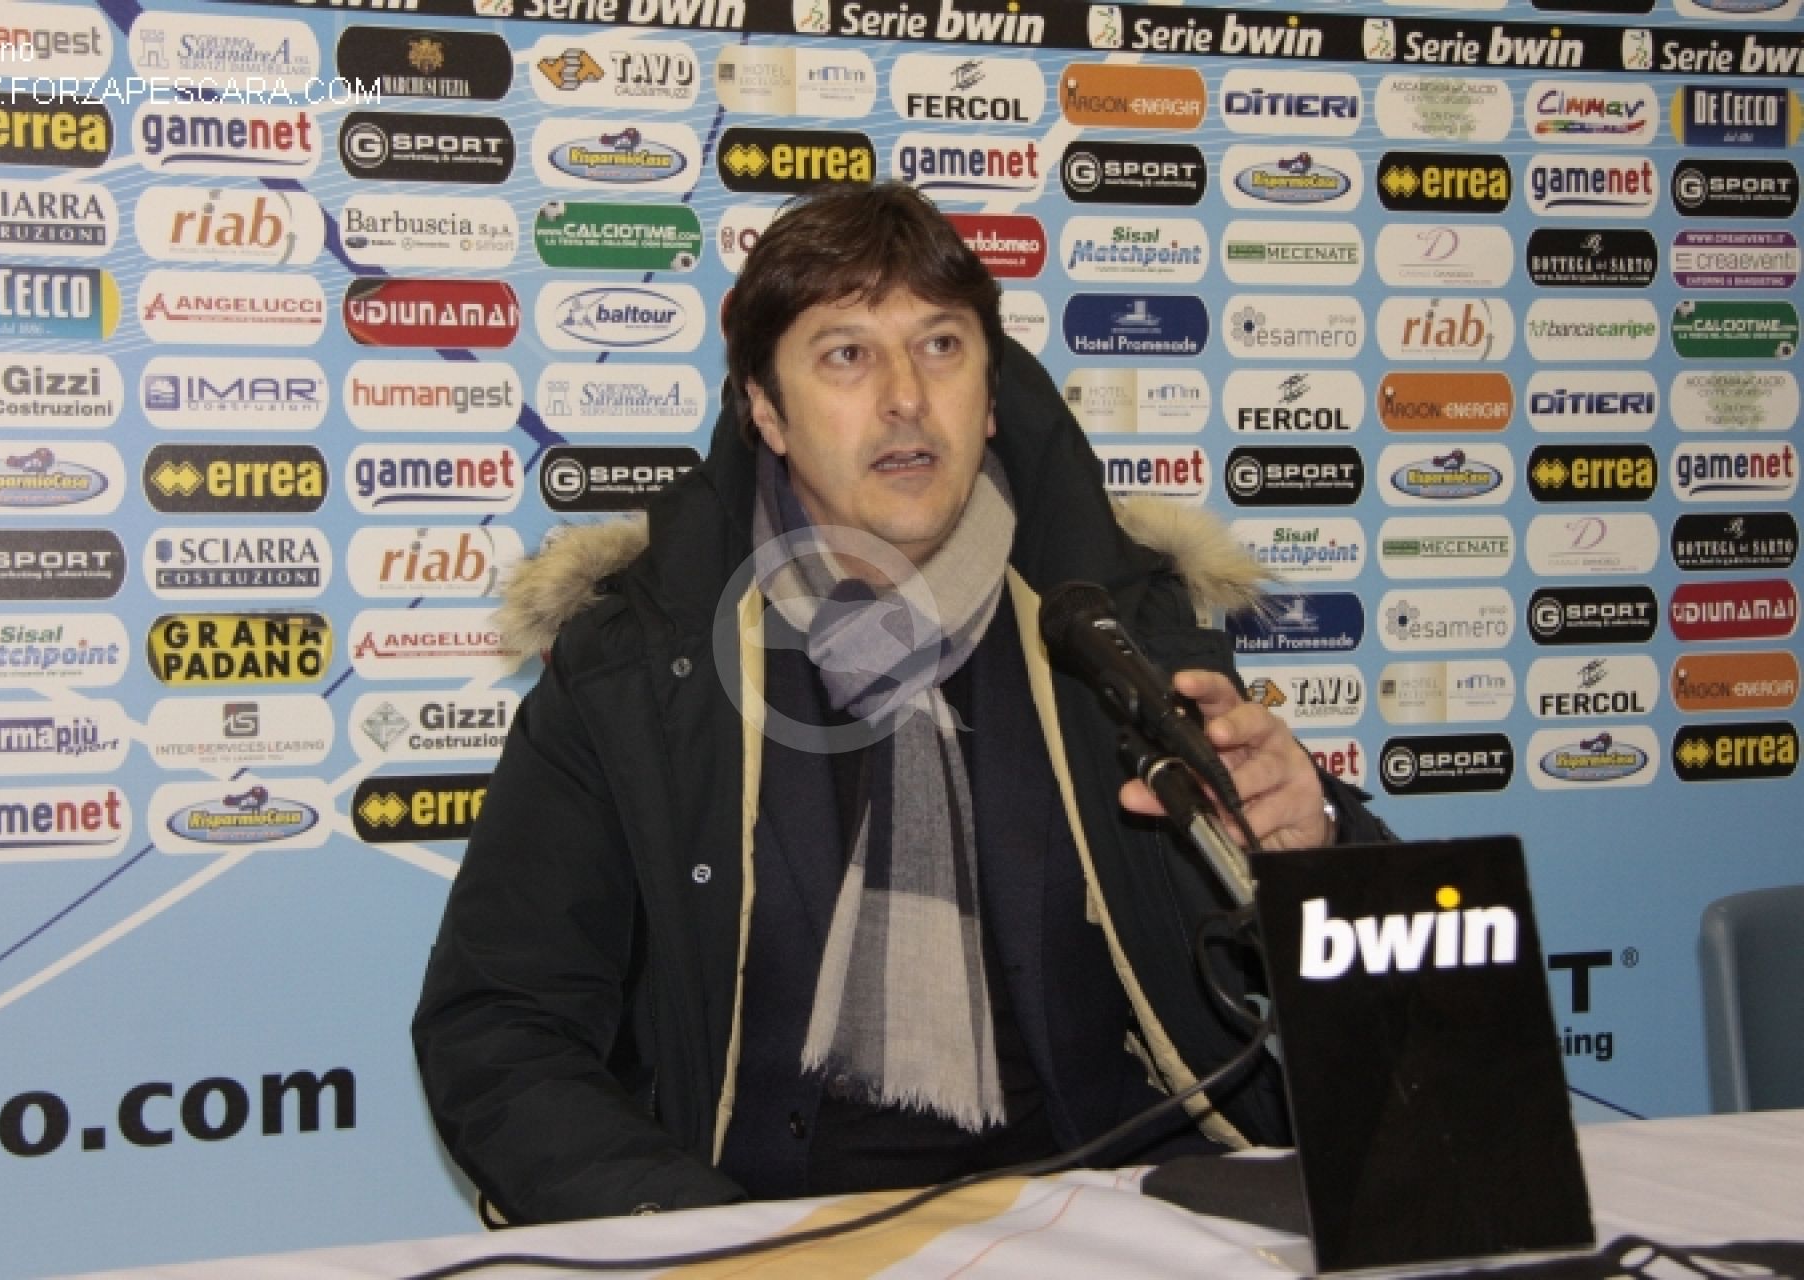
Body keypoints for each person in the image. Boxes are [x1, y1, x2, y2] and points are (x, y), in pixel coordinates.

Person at [413, 182, 1392, 1226]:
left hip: (1116, 1216)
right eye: (846, 354)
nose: (905, 398)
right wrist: (695, 1230)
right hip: (765, 1227)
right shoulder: (643, 663)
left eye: (941, 346)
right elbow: (500, 1024)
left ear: (991, 393)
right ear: (766, 411)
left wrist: (1316, 851)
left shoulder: (1118, 629)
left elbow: (1375, 986)